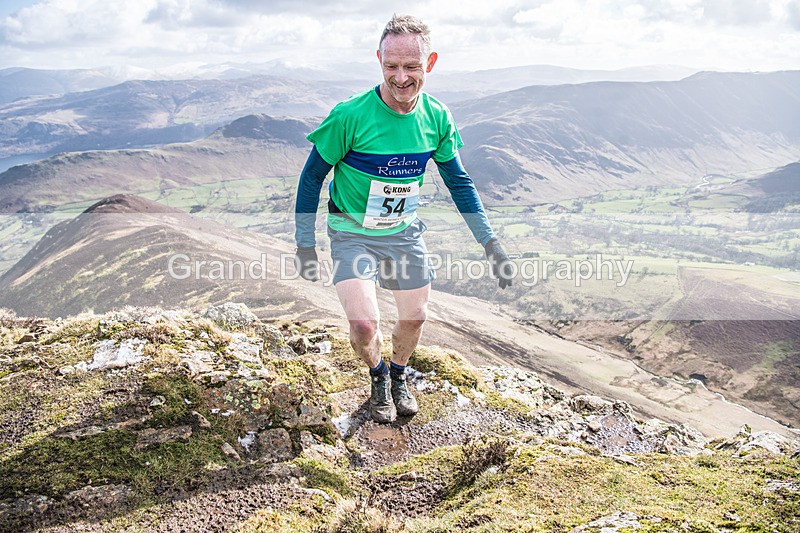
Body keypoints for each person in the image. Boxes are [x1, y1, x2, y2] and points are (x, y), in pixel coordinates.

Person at [293, 14, 513, 424]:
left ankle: (397, 376)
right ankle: (377, 376)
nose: (400, 77)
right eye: (390, 65)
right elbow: (311, 179)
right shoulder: (350, 116)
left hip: (402, 232)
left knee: (414, 317)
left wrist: (490, 242)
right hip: (351, 231)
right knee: (363, 323)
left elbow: (459, 184)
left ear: (429, 63)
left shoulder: (437, 117)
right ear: (379, 60)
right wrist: (305, 243)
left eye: (411, 66)